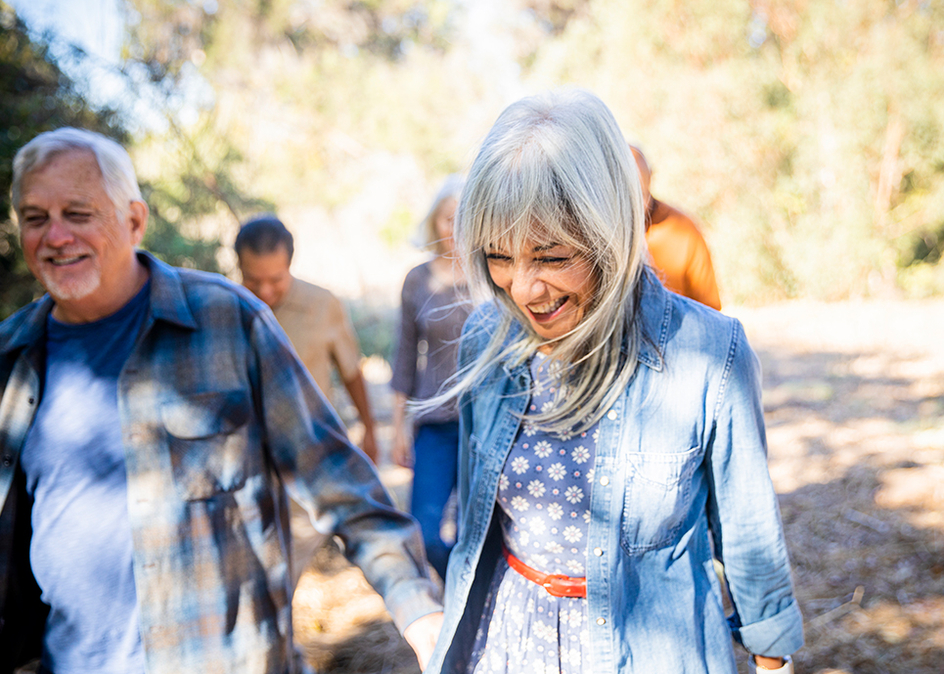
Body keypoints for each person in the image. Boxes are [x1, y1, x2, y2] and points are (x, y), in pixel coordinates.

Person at [0, 127, 443, 674]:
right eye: (35, 217)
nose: (56, 236)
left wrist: (418, 610)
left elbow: (340, 483)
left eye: (78, 213)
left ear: (134, 220)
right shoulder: (11, 357)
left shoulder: (226, 320)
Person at [423, 91, 803, 674]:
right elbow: (478, 524)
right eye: (499, 256)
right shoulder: (487, 340)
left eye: (551, 258)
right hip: (508, 645)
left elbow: (749, 537)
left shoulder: (709, 354)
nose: (523, 290)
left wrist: (772, 660)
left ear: (610, 232)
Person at [235, 215, 380, 588]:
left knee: (289, 558)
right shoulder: (227, 307)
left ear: (290, 265)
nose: (265, 291)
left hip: (306, 454)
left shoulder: (322, 304)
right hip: (247, 454)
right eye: (254, 280)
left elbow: (350, 371)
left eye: (276, 280)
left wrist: (369, 429)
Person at [390, 175, 473, 580]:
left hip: (482, 423)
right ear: (434, 222)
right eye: (446, 219)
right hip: (434, 425)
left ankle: (464, 610)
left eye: (463, 219)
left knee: (474, 532)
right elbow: (404, 357)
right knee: (424, 531)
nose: (453, 229)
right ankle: (450, 588)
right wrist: (398, 429)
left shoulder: (491, 276)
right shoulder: (417, 280)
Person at [631, 144, 723, 311]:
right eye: (629, 196)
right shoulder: (596, 234)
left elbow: (709, 308)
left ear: (651, 177)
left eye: (642, 195)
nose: (638, 206)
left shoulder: (683, 230)